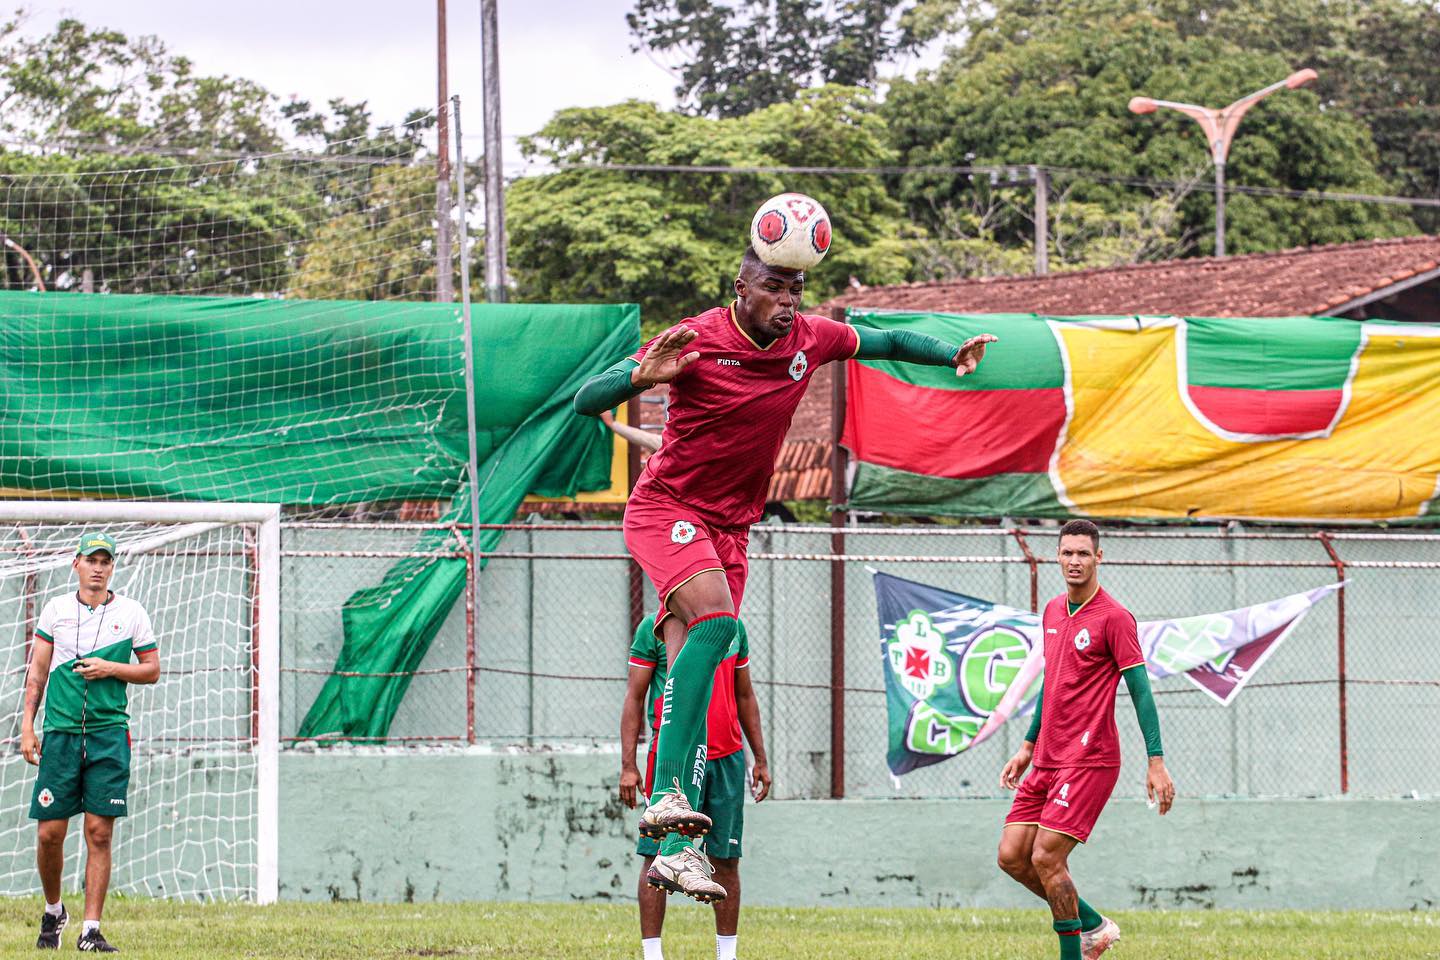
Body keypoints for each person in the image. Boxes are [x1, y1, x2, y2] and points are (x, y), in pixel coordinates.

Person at [575, 244, 997, 898]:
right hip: (667, 509)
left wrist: (948, 354)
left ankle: (678, 847)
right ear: (740, 287)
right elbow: (584, 398)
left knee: (701, 669)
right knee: (715, 622)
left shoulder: (809, 338)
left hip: (731, 527)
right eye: (775, 286)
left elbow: (881, 339)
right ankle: (664, 796)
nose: (788, 300)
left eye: (796, 287)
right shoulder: (696, 339)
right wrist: (638, 378)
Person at [996, 519, 1175, 960]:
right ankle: (1094, 927)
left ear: (1099, 557)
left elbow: (1141, 690)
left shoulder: (1114, 618)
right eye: (1066, 553)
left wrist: (1156, 759)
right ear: (1056, 557)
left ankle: (1073, 954)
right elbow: (1052, 684)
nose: (1074, 561)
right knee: (1012, 856)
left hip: (1090, 759)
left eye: (1083, 553)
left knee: (1046, 858)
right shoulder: (1053, 610)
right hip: (1047, 758)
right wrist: (1026, 745)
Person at [20, 532, 160, 952]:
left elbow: (151, 669)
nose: (98, 567)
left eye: (106, 560)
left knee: (99, 833)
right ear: (76, 564)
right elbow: (37, 673)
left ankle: (90, 929)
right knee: (50, 834)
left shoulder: (132, 612)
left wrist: (111, 668)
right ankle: (53, 910)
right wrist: (28, 725)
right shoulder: (56, 610)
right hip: (60, 735)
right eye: (91, 559)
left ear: (113, 567)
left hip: (109, 736)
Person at [621, 613, 769, 960]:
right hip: (675, 758)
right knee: (657, 857)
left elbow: (744, 695)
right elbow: (634, 696)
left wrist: (758, 758)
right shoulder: (655, 627)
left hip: (727, 758)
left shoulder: (731, 627)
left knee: (726, 859)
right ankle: (652, 955)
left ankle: (726, 955)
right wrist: (628, 766)